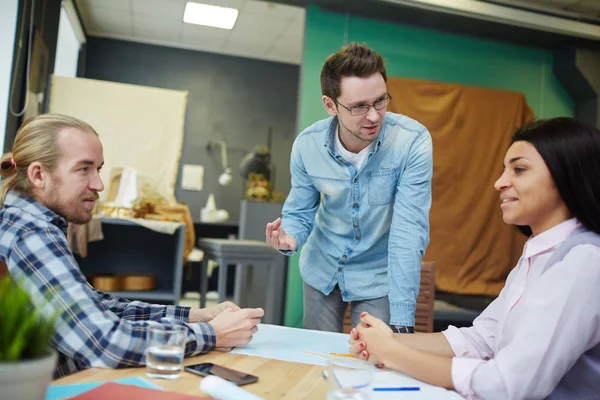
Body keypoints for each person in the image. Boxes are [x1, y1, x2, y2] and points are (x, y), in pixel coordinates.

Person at [349, 117, 600, 399]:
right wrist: (386, 340)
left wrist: (394, 352)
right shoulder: (538, 252)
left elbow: (508, 385)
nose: (499, 183)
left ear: (567, 175)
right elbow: (482, 338)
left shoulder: (584, 261)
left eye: (519, 170)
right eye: (504, 170)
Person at [0, 113, 264, 378]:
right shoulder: (32, 234)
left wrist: (197, 316)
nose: (99, 184)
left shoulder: (29, 222)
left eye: (98, 169)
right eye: (83, 169)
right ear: (37, 175)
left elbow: (95, 306)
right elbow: (105, 343)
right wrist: (214, 334)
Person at [265, 42, 433, 333]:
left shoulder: (412, 142)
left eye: (380, 101)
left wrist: (403, 319)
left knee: (372, 361)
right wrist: (288, 236)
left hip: (378, 275)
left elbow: (409, 231)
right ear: (330, 105)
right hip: (322, 267)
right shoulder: (307, 146)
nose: (374, 116)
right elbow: (300, 211)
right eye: (359, 106)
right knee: (316, 360)